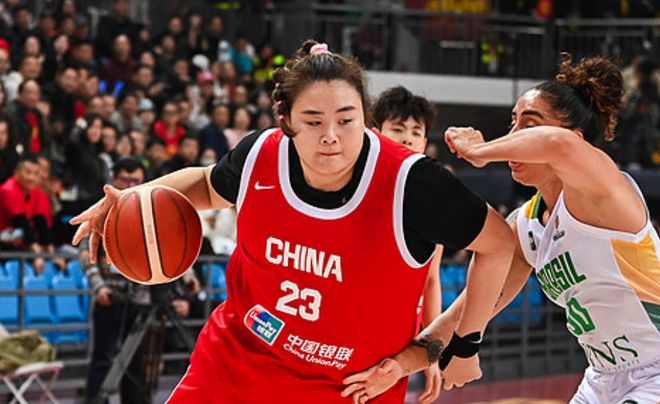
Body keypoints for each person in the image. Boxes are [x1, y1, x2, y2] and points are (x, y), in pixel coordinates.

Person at [70, 40, 514, 402]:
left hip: (350, 386)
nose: (331, 136)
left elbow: (499, 245)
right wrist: (131, 199)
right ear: (286, 121)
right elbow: (206, 183)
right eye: (313, 121)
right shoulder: (260, 155)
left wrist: (463, 343)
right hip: (239, 360)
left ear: (365, 116)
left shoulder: (413, 183)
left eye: (347, 120)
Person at [342, 55, 660, 403]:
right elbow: (463, 314)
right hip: (602, 376)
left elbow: (558, 145)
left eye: (529, 125)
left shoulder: (606, 193)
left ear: (575, 136)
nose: (513, 136)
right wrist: (398, 367)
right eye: (512, 123)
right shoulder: (526, 227)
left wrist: (480, 149)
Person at [370, 85, 443, 403]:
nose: (407, 139)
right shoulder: (351, 187)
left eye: (415, 132)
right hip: (347, 329)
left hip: (395, 345)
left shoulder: (433, 203)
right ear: (376, 134)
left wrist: (431, 355)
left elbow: (431, 280)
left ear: (424, 143)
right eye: (398, 129)